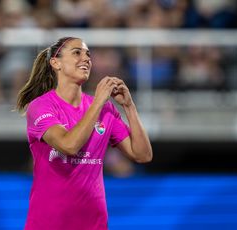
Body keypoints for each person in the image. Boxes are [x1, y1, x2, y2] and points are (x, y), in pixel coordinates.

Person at [16, 37, 153, 230]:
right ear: (56, 63)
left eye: (88, 54)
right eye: (77, 52)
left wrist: (128, 106)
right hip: (49, 223)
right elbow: (69, 145)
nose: (86, 58)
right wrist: (98, 102)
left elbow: (142, 154)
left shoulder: (105, 109)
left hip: (94, 224)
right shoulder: (41, 106)